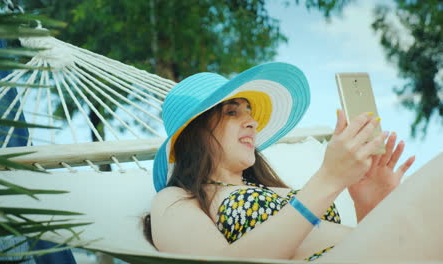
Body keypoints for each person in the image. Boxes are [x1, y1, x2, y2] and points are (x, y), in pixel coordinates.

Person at [143, 62, 443, 261]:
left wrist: (372, 206)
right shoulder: (175, 199)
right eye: (232, 112)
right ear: (193, 136)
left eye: (249, 112)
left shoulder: (272, 188)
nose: (251, 122)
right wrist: (329, 180)